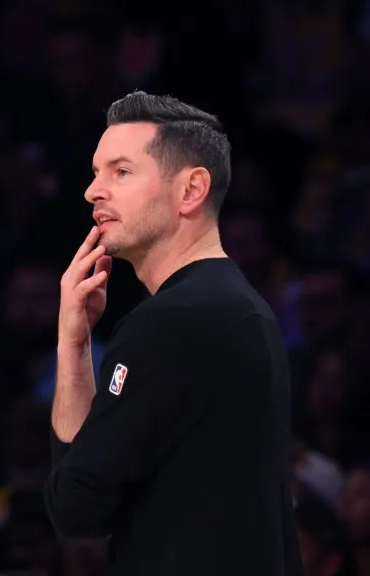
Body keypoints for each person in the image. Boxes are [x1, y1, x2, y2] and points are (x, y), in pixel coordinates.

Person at [43, 91, 302, 575]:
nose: (93, 191)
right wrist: (76, 343)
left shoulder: (173, 322)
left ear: (191, 190)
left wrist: (69, 347)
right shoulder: (240, 307)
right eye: (96, 172)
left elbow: (77, 508)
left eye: (120, 172)